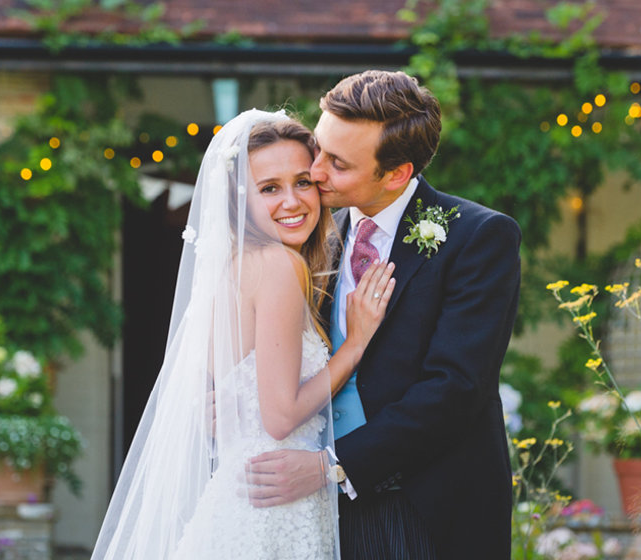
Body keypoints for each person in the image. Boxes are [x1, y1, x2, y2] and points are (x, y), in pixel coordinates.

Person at [90, 109, 396, 559]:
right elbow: (279, 416)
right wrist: (354, 346)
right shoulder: (278, 265)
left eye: (303, 182)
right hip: (270, 508)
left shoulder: (237, 268)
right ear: (239, 199)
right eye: (269, 188)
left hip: (248, 494)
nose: (292, 201)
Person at [247, 70, 522, 559]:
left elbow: (455, 387)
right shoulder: (310, 236)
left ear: (397, 174)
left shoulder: (479, 238)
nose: (316, 171)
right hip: (316, 513)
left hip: (424, 509)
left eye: (338, 163)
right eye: (319, 148)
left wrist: (332, 466)